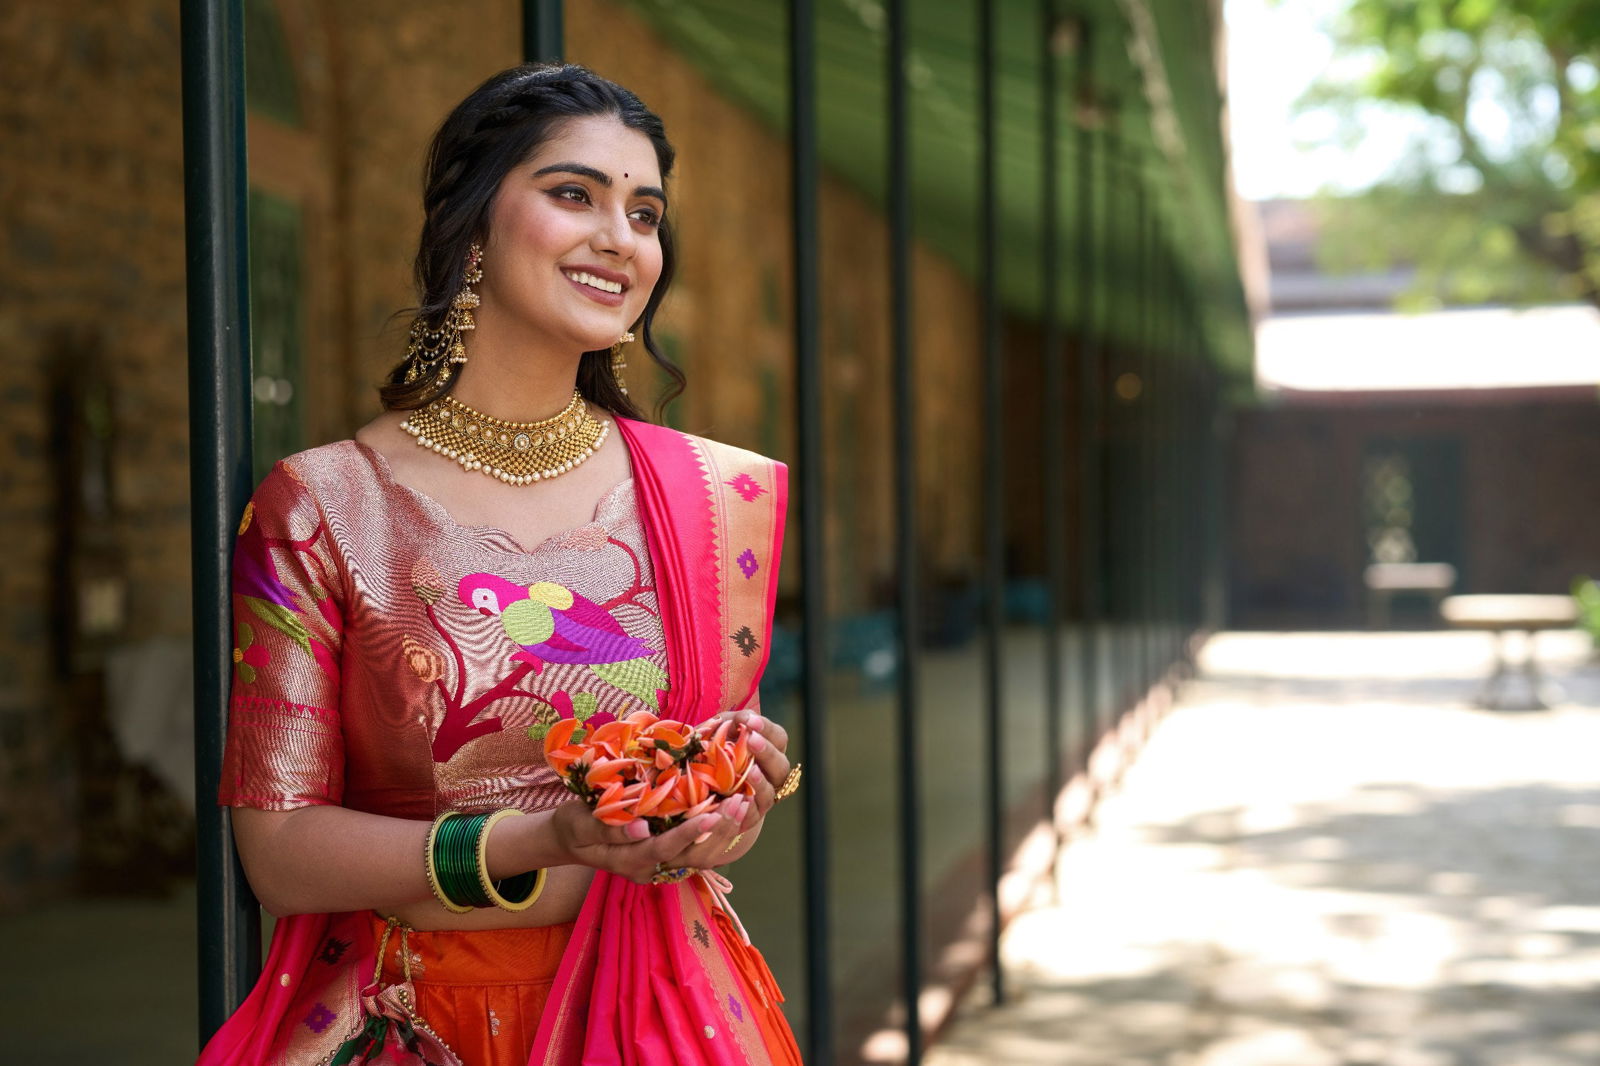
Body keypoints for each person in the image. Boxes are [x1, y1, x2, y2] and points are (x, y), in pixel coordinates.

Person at [197, 64, 803, 1066]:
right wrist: (542, 840)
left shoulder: (704, 495)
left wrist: (739, 790)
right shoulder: (321, 507)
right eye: (574, 195)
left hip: (660, 1015)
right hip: (414, 1026)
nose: (621, 237)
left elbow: (697, 775)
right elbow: (280, 854)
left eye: (644, 212)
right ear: (471, 229)